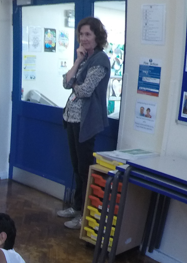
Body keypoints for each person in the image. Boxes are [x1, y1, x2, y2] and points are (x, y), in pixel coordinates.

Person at [57, 17, 111, 230]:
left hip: (86, 121)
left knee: (85, 169)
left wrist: (74, 84)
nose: (84, 38)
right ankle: (76, 207)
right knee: (76, 166)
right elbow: (65, 82)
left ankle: (84, 215)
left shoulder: (100, 60)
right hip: (72, 119)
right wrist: (77, 61)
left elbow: (85, 90)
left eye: (88, 34)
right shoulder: (85, 58)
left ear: (97, 36)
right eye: (81, 34)